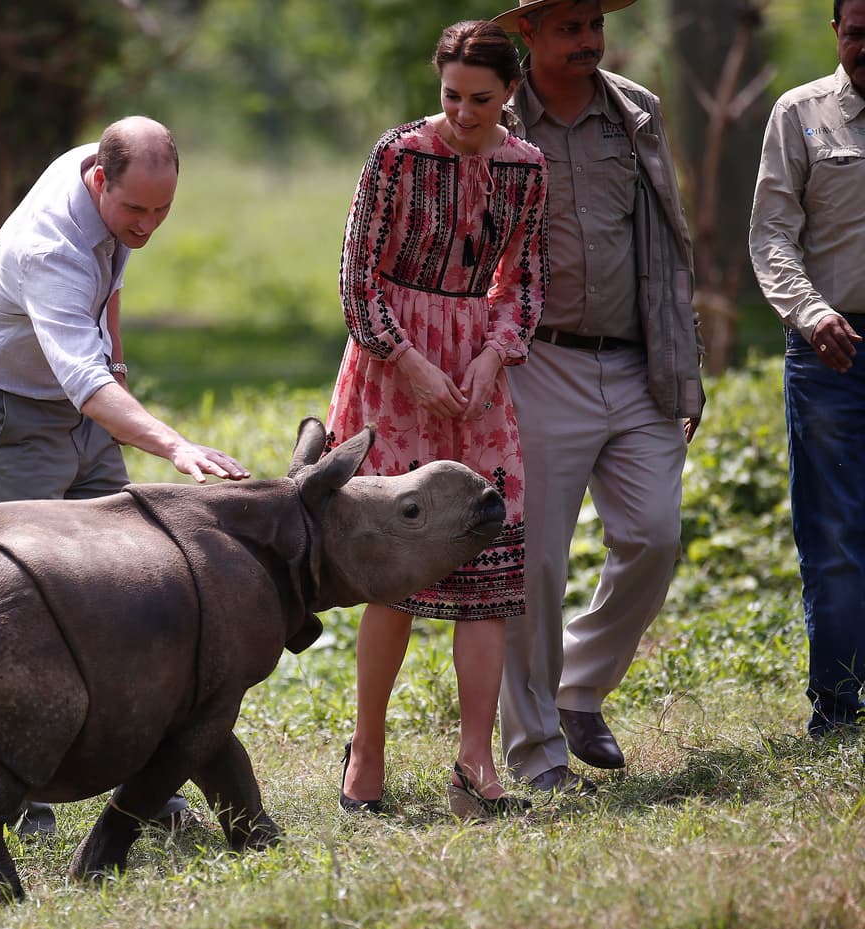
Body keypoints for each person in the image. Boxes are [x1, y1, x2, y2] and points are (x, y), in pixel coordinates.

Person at [0, 115, 248, 834]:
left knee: (126, 579)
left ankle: (148, 787)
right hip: (10, 413)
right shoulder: (50, 247)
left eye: (162, 211)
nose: (147, 224)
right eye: (135, 210)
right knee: (25, 605)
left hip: (86, 412)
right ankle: (19, 794)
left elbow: (109, 279)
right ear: (97, 181)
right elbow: (82, 382)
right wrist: (175, 446)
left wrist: (117, 358)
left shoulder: (102, 168)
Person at [329, 19, 547, 820]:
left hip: (476, 376)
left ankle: (476, 768)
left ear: (510, 93)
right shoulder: (395, 157)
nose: (462, 112)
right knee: (396, 570)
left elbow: (525, 280)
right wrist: (408, 360)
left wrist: (493, 356)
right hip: (395, 370)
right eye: (451, 95)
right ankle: (367, 754)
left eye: (481, 100)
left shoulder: (528, 168)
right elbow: (356, 277)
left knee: (487, 570)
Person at [491, 0, 703, 794]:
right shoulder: (498, 117)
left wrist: (685, 361)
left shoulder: (636, 110)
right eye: (567, 27)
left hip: (641, 363)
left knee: (654, 535)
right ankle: (537, 751)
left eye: (592, 25)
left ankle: (579, 686)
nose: (586, 40)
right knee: (535, 562)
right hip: (539, 365)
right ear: (529, 34)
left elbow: (669, 239)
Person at [749, 0, 865, 738]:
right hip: (833, 349)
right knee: (836, 535)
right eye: (857, 33)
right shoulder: (802, 113)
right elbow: (770, 234)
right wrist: (811, 310)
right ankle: (839, 705)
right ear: (836, 33)